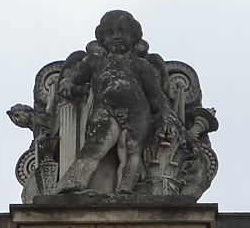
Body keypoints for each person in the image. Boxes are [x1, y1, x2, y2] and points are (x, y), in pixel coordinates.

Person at [55, 10, 177, 194]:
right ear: (103, 38)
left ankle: (125, 189)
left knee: (130, 150)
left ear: (133, 37)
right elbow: (75, 78)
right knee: (95, 145)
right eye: (111, 33)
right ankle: (72, 183)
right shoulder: (95, 61)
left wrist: (166, 116)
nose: (117, 37)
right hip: (106, 109)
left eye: (122, 32)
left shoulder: (141, 65)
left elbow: (155, 95)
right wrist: (68, 83)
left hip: (137, 111)